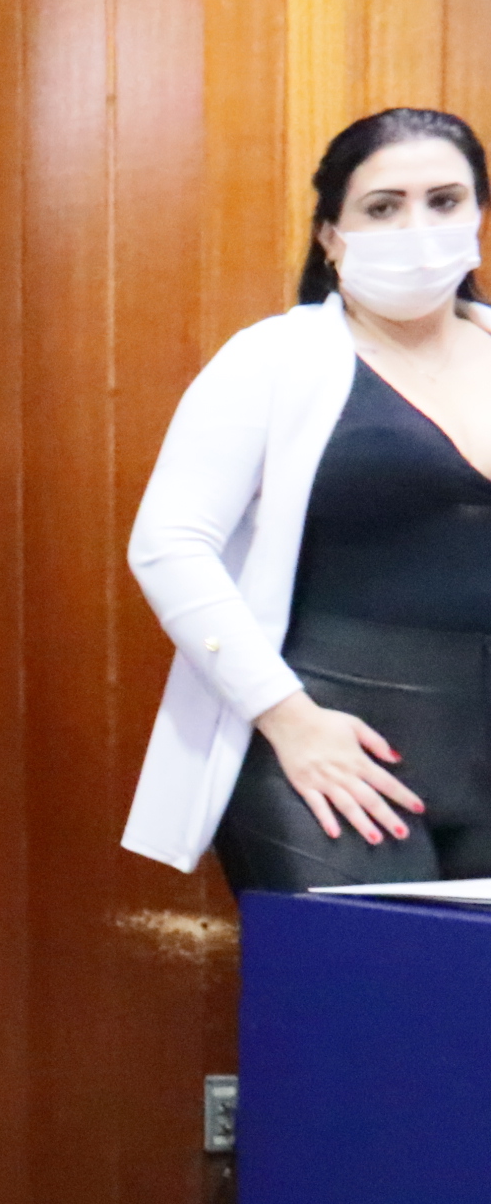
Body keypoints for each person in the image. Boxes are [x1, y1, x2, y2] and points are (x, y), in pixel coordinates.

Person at [125, 108, 491, 890]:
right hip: (329, 755)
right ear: (331, 234)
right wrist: (286, 719)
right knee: (368, 972)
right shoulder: (272, 359)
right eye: (383, 207)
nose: (418, 229)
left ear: (478, 215)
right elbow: (168, 545)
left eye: (445, 201)